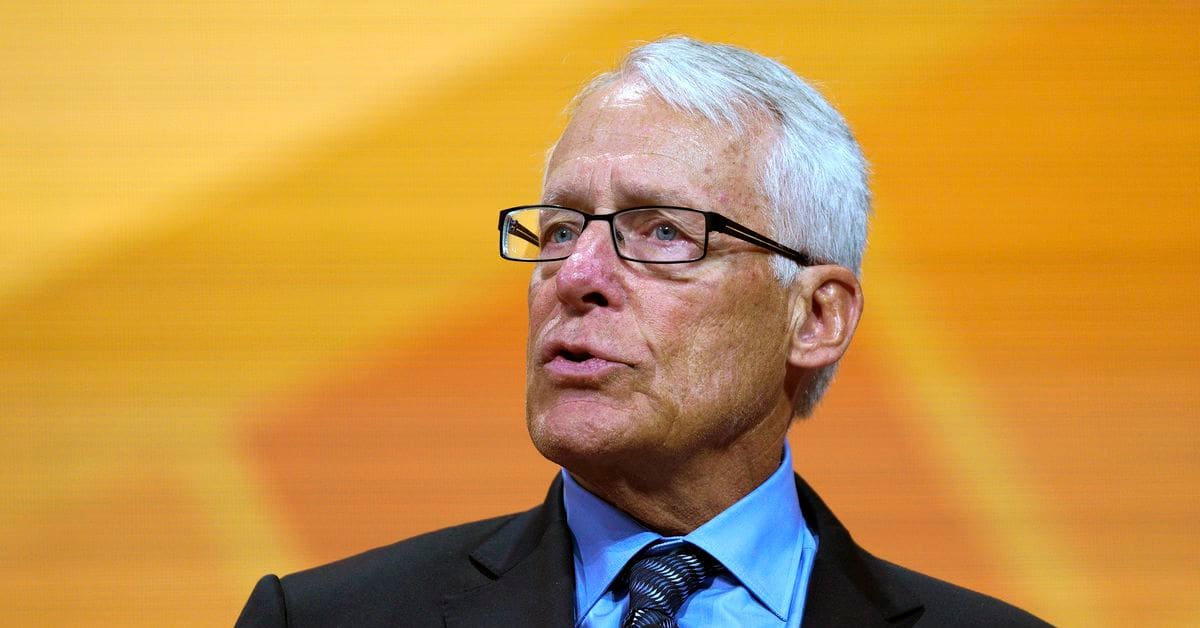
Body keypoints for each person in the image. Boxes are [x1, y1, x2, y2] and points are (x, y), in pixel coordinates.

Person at [236, 36, 1049, 627]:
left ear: (817, 316)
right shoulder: (318, 621)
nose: (579, 275)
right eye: (560, 229)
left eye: (662, 231)